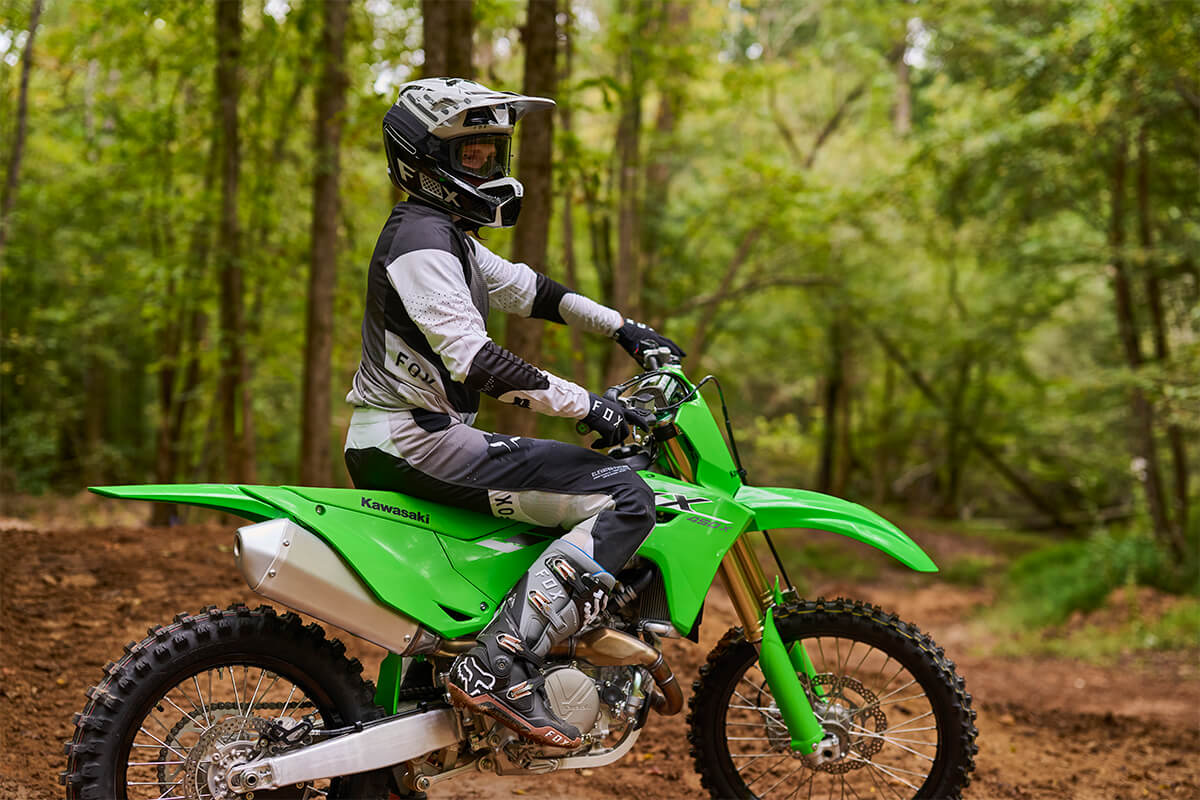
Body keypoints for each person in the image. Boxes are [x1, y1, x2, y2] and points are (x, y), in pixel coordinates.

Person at [343, 78, 684, 749]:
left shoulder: (450, 240)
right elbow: (476, 361)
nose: (488, 167)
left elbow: (536, 291)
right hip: (413, 440)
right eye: (471, 154)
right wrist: (588, 406)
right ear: (423, 157)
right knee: (623, 498)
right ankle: (499, 662)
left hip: (420, 435)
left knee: (592, 482)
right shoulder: (420, 242)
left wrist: (626, 329)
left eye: (492, 153)